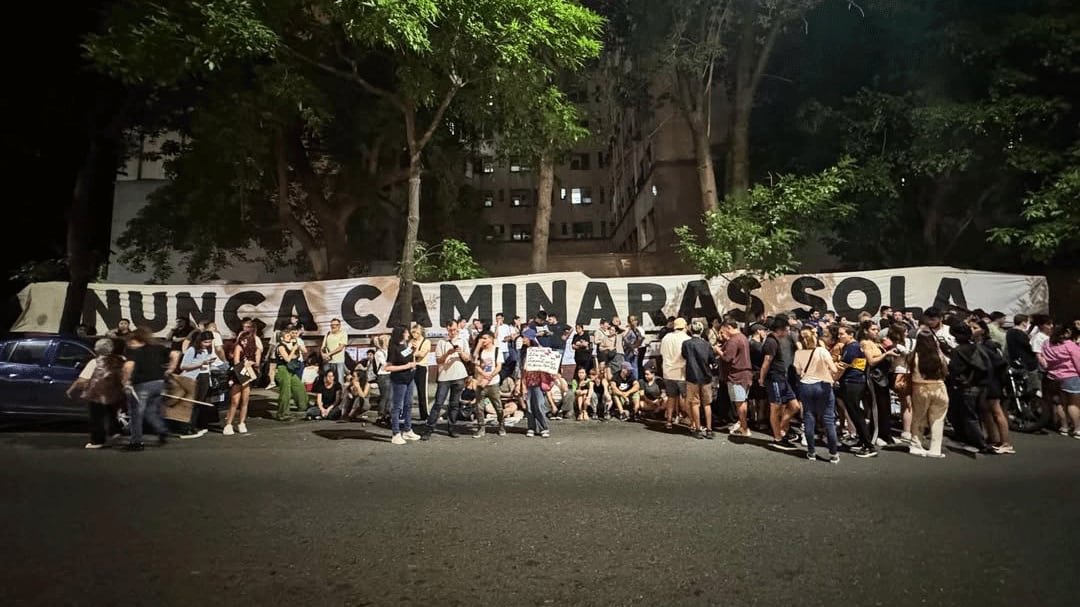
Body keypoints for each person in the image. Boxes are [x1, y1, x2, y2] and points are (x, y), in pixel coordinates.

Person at [66, 338, 126, 449]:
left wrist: (71, 389)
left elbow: (82, 380)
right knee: (112, 413)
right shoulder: (121, 360)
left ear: (97, 349)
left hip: (97, 393)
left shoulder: (95, 362)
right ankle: (115, 431)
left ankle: (97, 441)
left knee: (96, 418)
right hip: (115, 393)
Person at [123, 328, 177, 450]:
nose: (130, 344)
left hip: (142, 385)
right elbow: (175, 354)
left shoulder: (135, 351)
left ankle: (136, 442)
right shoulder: (158, 348)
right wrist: (171, 369)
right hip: (159, 383)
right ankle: (162, 430)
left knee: (136, 413)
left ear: (137, 340)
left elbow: (128, 366)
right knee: (151, 411)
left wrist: (125, 381)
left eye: (131, 341)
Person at [793, 327, 840, 463]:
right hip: (823, 385)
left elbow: (798, 371)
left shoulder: (799, 353)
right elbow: (834, 368)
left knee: (808, 417)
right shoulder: (821, 351)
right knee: (828, 420)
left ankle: (811, 452)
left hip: (806, 386)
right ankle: (833, 454)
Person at [945, 323, 991, 453]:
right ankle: (977, 438)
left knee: (968, 415)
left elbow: (955, 369)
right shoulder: (976, 347)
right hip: (979, 385)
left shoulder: (958, 351)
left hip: (965, 386)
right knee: (975, 414)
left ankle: (979, 442)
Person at [421, 320, 471, 439]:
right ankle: (429, 428)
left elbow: (468, 358)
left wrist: (461, 353)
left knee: (454, 403)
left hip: (459, 374)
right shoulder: (441, 342)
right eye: (450, 330)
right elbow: (438, 360)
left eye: (455, 330)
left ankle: (452, 427)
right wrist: (448, 353)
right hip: (445, 376)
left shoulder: (462, 341)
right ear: (447, 330)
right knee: (438, 403)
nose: (453, 332)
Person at [760, 314, 801, 450]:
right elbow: (766, 361)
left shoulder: (777, 340)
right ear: (781, 329)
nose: (788, 331)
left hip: (782, 378)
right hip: (774, 379)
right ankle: (778, 438)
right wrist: (761, 378)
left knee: (795, 406)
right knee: (775, 408)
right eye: (787, 328)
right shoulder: (771, 341)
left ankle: (781, 429)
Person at [836, 325, 877, 458]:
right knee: (854, 413)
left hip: (853, 383)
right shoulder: (850, 347)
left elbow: (843, 366)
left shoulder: (852, 347)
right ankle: (862, 440)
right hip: (853, 382)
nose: (839, 336)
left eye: (842, 334)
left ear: (851, 335)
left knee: (856, 413)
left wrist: (833, 379)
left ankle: (868, 446)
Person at [907, 330, 950, 458]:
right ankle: (935, 449)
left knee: (918, 418)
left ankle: (916, 444)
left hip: (920, 388)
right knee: (938, 419)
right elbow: (946, 368)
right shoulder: (938, 354)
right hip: (939, 387)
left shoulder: (914, 355)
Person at [1039, 324, 1080, 439]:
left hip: (1054, 376)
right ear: (1065, 333)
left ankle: (1064, 427)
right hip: (1071, 376)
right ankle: (1077, 429)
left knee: (1060, 403)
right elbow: (1078, 361)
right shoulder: (1069, 345)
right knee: (1073, 404)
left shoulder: (1046, 343)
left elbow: (1044, 358)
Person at [224, 318, 262, 436]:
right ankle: (228, 424)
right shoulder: (238, 346)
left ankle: (241, 422)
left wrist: (252, 363)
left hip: (248, 372)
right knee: (235, 400)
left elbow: (257, 362)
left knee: (245, 400)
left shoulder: (256, 346)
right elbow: (236, 362)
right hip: (238, 373)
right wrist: (243, 364)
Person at [384, 326, 421, 445]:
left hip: (410, 378)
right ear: (400, 334)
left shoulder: (404, 345)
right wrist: (406, 366)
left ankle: (407, 429)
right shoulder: (393, 348)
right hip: (399, 380)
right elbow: (388, 367)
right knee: (397, 407)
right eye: (406, 333)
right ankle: (395, 433)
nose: (408, 335)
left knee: (408, 404)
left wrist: (413, 351)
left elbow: (405, 357)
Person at [682, 320, 717, 439]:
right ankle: (709, 429)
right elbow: (712, 360)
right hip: (706, 376)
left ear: (691, 330)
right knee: (707, 403)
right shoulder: (706, 344)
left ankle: (698, 428)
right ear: (701, 330)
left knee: (695, 403)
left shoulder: (686, 344)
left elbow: (684, 356)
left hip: (692, 376)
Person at [718, 320, 753, 436]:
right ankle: (742, 424)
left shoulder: (733, 340)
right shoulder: (743, 337)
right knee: (743, 401)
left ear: (728, 327)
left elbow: (728, 358)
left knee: (739, 403)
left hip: (736, 375)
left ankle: (744, 427)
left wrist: (718, 350)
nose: (723, 333)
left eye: (723, 330)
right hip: (745, 374)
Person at [472, 331, 505, 437]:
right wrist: (478, 345)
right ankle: (481, 428)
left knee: (498, 406)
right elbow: (474, 361)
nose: (483, 341)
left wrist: (489, 377)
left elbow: (499, 367)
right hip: (481, 381)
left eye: (485, 338)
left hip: (493, 382)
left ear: (491, 339)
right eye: (482, 338)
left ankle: (501, 426)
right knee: (479, 406)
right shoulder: (480, 350)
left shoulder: (497, 350)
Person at [660, 318, 690, 430]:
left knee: (671, 397)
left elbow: (662, 353)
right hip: (682, 372)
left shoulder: (666, 337)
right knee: (686, 398)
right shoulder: (686, 339)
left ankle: (669, 421)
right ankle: (692, 421)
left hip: (668, 372)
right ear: (685, 327)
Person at [273, 327, 308, 421]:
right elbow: (287, 359)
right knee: (286, 392)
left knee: (299, 386)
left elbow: (296, 356)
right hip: (282, 369)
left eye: (289, 335)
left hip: (290, 370)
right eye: (287, 335)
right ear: (282, 338)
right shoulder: (280, 346)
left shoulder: (290, 345)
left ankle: (303, 406)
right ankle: (282, 413)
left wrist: (296, 349)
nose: (289, 337)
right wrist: (293, 350)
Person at [408, 323, 432, 422]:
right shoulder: (411, 341)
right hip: (411, 366)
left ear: (421, 332)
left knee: (422, 391)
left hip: (422, 367)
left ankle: (424, 414)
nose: (414, 335)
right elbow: (405, 353)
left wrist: (413, 350)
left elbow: (422, 354)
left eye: (416, 332)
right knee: (408, 390)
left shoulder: (426, 342)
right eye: (413, 333)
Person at [320, 318, 349, 386]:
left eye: (335, 325)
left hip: (338, 361)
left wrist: (329, 354)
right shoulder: (328, 334)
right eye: (332, 325)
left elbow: (341, 347)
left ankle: (339, 396)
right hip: (327, 361)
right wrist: (323, 355)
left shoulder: (343, 334)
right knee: (326, 380)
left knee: (339, 381)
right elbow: (323, 346)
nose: (333, 326)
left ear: (339, 326)